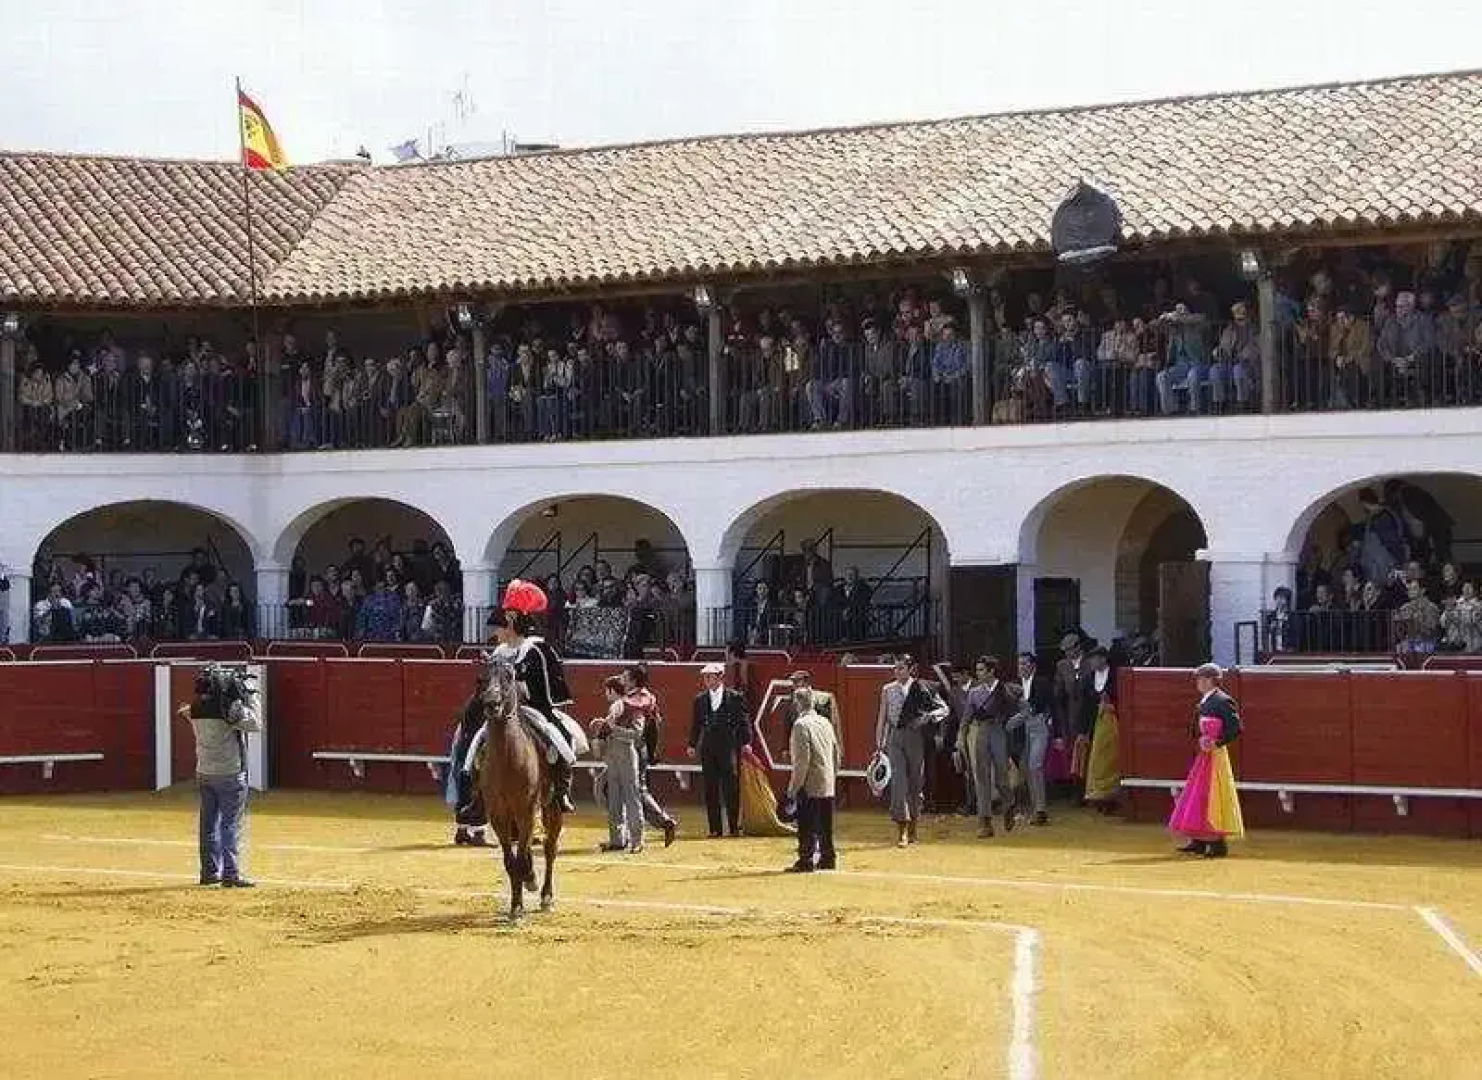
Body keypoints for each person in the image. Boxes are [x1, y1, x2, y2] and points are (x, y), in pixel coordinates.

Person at [487, 579, 582, 812]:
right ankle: (476, 795)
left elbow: (550, 683)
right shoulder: (498, 653)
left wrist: (523, 688)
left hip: (534, 707)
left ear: (510, 622)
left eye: (498, 627)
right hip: (502, 709)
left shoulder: (537, 649)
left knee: (560, 737)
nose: (495, 632)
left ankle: (561, 790)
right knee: (472, 740)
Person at [178, 665, 263, 888]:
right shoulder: (229, 709)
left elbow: (185, 711)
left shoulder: (195, 708)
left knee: (208, 824)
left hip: (204, 771)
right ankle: (231, 874)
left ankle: (209, 872)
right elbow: (255, 724)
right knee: (230, 825)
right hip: (230, 773)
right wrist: (252, 696)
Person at [1169, 663, 1245, 858]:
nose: (1199, 682)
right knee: (1199, 794)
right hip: (1204, 754)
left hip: (1215, 756)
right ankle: (1199, 840)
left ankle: (1217, 843)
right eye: (1198, 679)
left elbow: (1235, 728)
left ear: (1212, 680)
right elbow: (1195, 728)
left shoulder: (1222, 701)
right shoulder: (1206, 701)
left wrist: (1217, 742)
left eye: (1202, 679)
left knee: (1213, 795)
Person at [874, 655, 949, 847]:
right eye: (895, 669)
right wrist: (879, 743)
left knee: (916, 783)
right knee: (899, 783)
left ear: (910, 669)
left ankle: (913, 827)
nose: (897, 672)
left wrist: (928, 717)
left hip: (916, 738)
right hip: (895, 738)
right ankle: (902, 830)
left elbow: (944, 709)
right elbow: (882, 716)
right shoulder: (888, 689)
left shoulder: (923, 687)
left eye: (901, 668)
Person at [688, 662, 749, 837]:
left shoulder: (735, 697)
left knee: (731, 787)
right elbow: (696, 724)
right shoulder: (700, 700)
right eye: (705, 677)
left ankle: (733, 826)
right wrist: (692, 744)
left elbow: (743, 721)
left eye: (710, 676)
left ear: (720, 677)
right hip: (708, 747)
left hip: (728, 745)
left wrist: (746, 742)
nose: (706, 680)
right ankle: (715, 828)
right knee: (710, 787)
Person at [784, 687, 841, 873]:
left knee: (806, 825)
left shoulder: (800, 725)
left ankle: (806, 860)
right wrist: (832, 777)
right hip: (827, 782)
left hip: (810, 784)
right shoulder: (825, 722)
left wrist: (793, 788)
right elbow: (835, 753)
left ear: (798, 704)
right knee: (825, 825)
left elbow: (802, 762)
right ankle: (827, 858)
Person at [623, 663, 678, 847]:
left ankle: (664, 821)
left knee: (637, 789)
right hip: (636, 748)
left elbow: (641, 714)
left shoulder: (642, 697)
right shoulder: (636, 696)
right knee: (625, 788)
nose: (622, 680)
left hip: (637, 749)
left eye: (625, 677)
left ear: (633, 680)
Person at [961, 656, 1015, 838]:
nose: (978, 674)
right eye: (977, 670)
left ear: (992, 671)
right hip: (982, 733)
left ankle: (1009, 804)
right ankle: (985, 821)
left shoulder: (1005, 689)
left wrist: (1010, 725)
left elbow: (1019, 709)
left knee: (1001, 777)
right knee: (982, 778)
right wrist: (960, 739)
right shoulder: (974, 693)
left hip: (999, 732)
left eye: (981, 670)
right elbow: (966, 719)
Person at [592, 675, 646, 853]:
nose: (605, 694)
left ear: (612, 691)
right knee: (614, 799)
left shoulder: (633, 708)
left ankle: (637, 841)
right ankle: (617, 840)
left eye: (607, 690)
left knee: (631, 797)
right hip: (612, 757)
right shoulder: (614, 709)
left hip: (626, 756)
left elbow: (637, 735)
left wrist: (612, 729)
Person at [1006, 653, 1055, 825]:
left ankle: (1040, 810)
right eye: (1019, 664)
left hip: (1038, 726)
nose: (1021, 667)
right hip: (1024, 731)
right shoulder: (1016, 685)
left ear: (1033, 666)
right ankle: (1035, 808)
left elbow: (1038, 707)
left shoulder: (1041, 682)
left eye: (1025, 664)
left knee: (1035, 765)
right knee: (1026, 768)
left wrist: (1012, 722)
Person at [1080, 646, 1122, 812]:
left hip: (1114, 724)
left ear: (1103, 659)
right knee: (1097, 760)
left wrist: (1112, 707)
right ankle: (1100, 797)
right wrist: (1082, 730)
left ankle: (1113, 797)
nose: (1091, 662)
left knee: (1112, 760)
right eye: (1090, 659)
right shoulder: (1088, 679)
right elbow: (1085, 707)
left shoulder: (1116, 675)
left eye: (1094, 658)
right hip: (1095, 725)